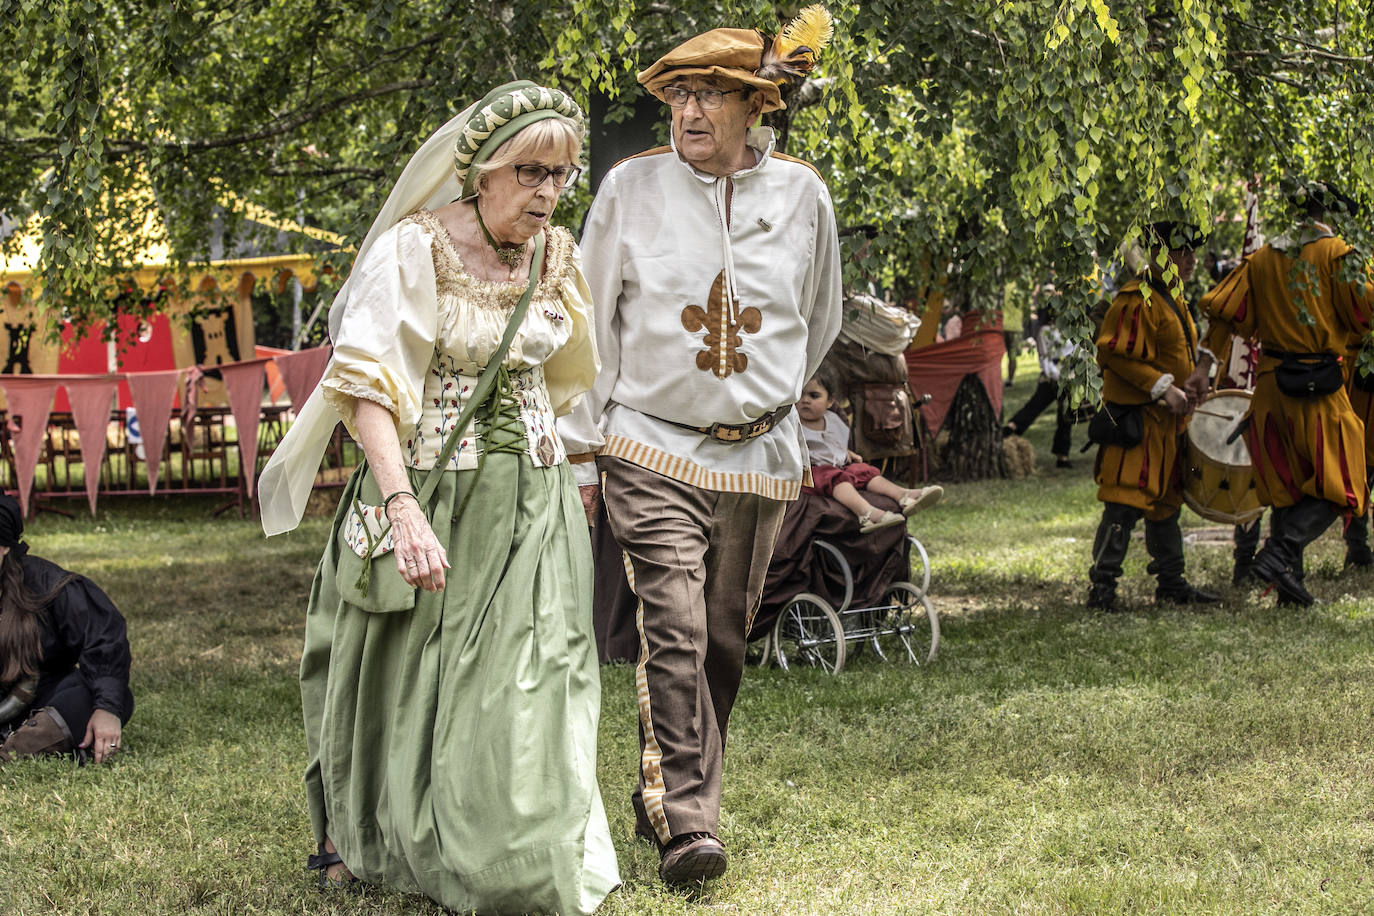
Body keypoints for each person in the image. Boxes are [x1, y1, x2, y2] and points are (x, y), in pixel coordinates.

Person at [257, 81, 619, 913]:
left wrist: (582, 470)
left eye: (562, 176)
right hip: (435, 489)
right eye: (531, 172)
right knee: (409, 668)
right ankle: (385, 829)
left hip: (536, 492)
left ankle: (521, 843)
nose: (548, 194)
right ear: (482, 171)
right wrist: (400, 507)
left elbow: (564, 380)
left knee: (536, 672)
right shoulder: (415, 252)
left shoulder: (554, 255)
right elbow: (367, 389)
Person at [556, 10, 842, 885]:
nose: (688, 112)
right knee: (671, 627)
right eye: (679, 94)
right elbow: (586, 320)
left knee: (721, 639)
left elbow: (819, 317)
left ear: (756, 106)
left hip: (757, 457)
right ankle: (688, 823)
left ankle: (664, 790)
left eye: (710, 95)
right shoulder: (628, 190)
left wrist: (765, 403)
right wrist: (581, 448)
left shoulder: (804, 196)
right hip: (647, 442)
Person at [1199, 180, 1373, 605]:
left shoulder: (1263, 257)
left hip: (1272, 388)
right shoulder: (1338, 254)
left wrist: (1203, 367)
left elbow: (1226, 313)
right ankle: (1280, 553)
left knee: (1288, 485)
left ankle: (1288, 587)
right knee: (1346, 481)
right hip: (1317, 387)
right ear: (1329, 215)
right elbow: (1366, 311)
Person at [1086, 221, 1221, 611]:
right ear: (1163, 255)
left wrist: (1191, 382)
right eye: (1183, 252)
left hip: (1166, 425)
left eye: (1192, 252)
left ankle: (1172, 584)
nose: (1192, 260)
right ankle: (1102, 589)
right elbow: (1114, 353)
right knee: (1123, 504)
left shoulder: (1170, 297)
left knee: (1165, 505)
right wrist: (1164, 388)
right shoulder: (1135, 297)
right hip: (1139, 422)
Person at [0, 494, 132, 765]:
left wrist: (107, 708)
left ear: (3, 547)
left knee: (103, 695)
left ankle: (15, 751)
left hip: (41, 703)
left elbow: (103, 639)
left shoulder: (47, 584)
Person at [798, 367, 942, 532]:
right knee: (835, 477)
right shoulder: (793, 424)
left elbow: (833, 444)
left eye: (813, 396)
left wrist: (848, 452)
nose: (805, 400)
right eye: (800, 395)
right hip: (810, 473)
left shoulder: (833, 420)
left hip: (837, 465)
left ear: (830, 402)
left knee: (864, 470)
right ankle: (866, 513)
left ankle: (903, 495)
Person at [1002, 303, 1080, 468]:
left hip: (1069, 376)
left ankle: (1062, 455)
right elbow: (1044, 357)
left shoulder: (1072, 329)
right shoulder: (1045, 331)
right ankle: (1010, 429)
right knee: (1036, 405)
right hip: (1052, 376)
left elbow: (1077, 351)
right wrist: (1056, 375)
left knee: (1065, 416)